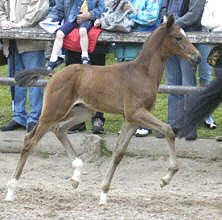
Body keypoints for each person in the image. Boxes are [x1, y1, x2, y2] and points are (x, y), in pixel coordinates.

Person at [44, 0, 107, 134]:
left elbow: (105, 9)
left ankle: (98, 119)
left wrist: (90, 15)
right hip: (72, 42)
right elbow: (60, 8)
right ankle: (77, 122)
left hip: (96, 44)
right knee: (74, 83)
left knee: (99, 82)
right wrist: (50, 19)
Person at [155, 0, 207, 140]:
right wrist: (166, 23)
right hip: (170, 40)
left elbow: (194, 15)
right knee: (172, 84)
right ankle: (174, 124)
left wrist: (171, 25)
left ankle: (190, 125)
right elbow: (163, 8)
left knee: (188, 84)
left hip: (187, 40)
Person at [0, 0, 49, 133]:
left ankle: (34, 119)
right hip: (11, 41)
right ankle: (19, 117)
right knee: (15, 81)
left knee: (34, 81)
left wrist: (21, 25)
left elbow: (40, 9)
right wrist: (3, 22)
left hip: (32, 41)